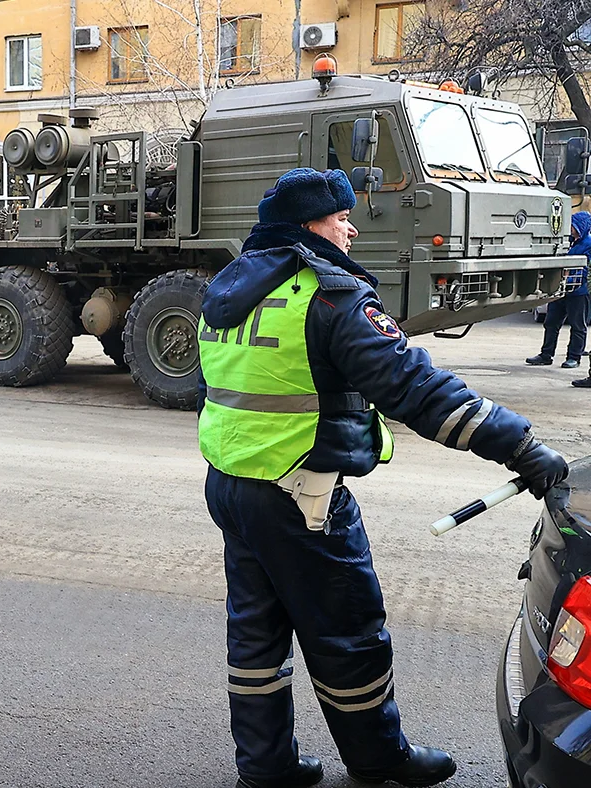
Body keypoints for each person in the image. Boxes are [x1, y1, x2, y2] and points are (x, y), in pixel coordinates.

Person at [197, 168, 568, 788]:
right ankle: (377, 759)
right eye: (340, 217)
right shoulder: (329, 295)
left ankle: (265, 767)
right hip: (301, 493)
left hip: (232, 483)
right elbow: (416, 389)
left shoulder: (231, 287)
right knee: (349, 633)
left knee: (256, 633)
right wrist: (522, 447)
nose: (350, 227)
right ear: (310, 225)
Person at [526, 210, 589, 368]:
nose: (570, 229)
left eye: (573, 226)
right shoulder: (565, 241)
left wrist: (570, 271)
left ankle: (574, 357)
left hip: (578, 291)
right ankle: (546, 354)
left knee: (577, 325)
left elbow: (586, 267)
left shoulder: (587, 244)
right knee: (551, 322)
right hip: (559, 289)